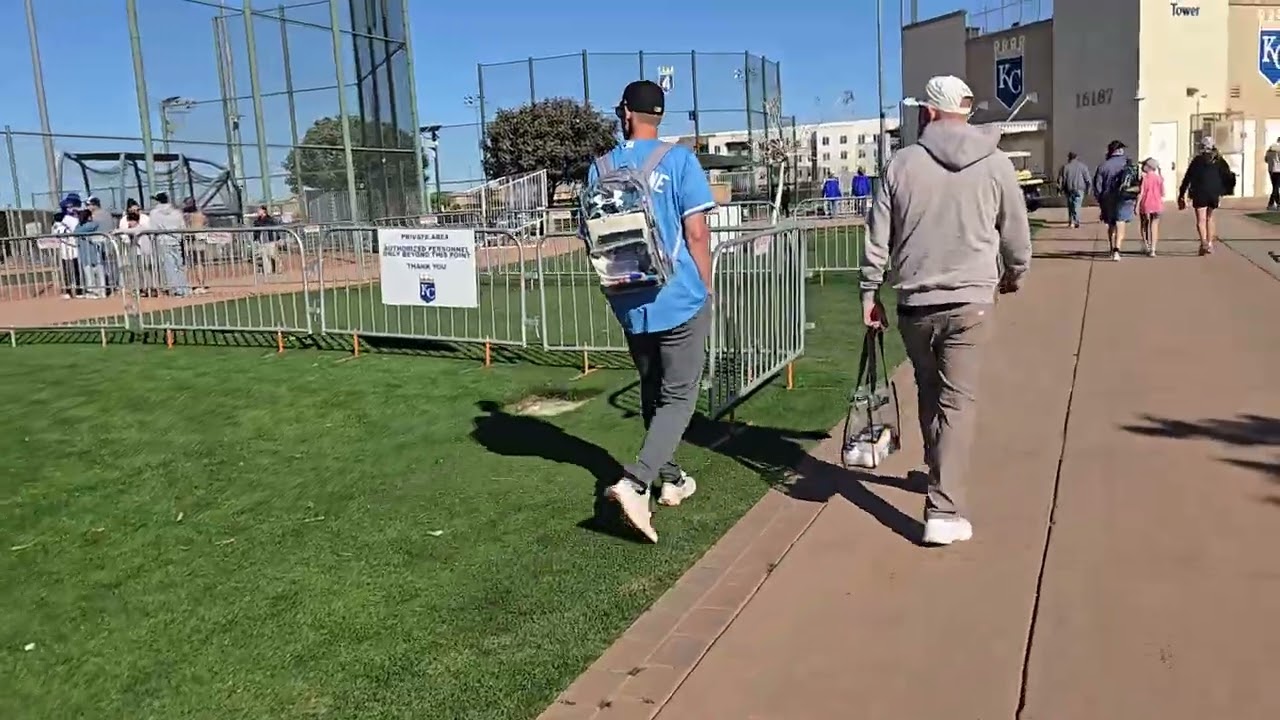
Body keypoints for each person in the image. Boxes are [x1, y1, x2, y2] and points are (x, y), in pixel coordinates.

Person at [861, 75, 1031, 546]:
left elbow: (878, 237)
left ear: (930, 112)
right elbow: (1015, 232)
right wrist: (1015, 273)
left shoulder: (900, 164)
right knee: (957, 402)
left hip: (916, 300)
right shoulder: (995, 164)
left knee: (930, 392)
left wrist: (868, 293)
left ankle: (941, 480)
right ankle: (944, 505)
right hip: (971, 299)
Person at [586, 80, 715, 543]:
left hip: (627, 295)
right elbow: (696, 233)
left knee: (653, 389)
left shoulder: (599, 169)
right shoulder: (679, 160)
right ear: (659, 116)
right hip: (677, 294)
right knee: (679, 397)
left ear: (625, 113)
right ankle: (637, 481)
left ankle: (673, 480)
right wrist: (705, 284)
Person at [1178, 136, 1235, 256]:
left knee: (1201, 219)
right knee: (1210, 218)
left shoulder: (1197, 160)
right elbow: (1228, 176)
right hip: (1214, 193)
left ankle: (1203, 242)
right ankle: (1209, 243)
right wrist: (1224, 191)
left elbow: (1187, 177)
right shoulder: (1220, 160)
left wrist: (1182, 193)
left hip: (1200, 192)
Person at [1092, 140, 1137, 261]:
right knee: (1120, 222)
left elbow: (1097, 186)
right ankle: (1117, 249)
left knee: (1111, 224)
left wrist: (1100, 199)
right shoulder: (1128, 164)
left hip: (1107, 198)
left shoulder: (1103, 166)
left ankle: (1112, 247)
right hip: (1124, 197)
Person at [148, 191, 191, 296]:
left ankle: (177, 289)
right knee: (179, 265)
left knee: (169, 266)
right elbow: (183, 227)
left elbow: (153, 229)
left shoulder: (154, 213)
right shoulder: (177, 212)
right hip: (176, 240)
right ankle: (184, 288)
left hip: (163, 240)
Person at [117, 198, 156, 296]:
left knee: (147, 268)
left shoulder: (144, 219)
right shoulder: (125, 220)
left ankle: (151, 287)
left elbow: (143, 229)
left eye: (137, 210)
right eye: (133, 211)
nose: (135, 212)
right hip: (133, 247)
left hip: (145, 247)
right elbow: (125, 232)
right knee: (137, 269)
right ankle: (141, 287)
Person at [52, 194, 83, 299]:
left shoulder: (76, 218)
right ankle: (68, 290)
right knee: (66, 270)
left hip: (75, 247)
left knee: (77, 270)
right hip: (65, 247)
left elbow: (77, 229)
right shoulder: (60, 220)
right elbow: (56, 232)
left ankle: (79, 290)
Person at [85, 197, 118, 295]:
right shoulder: (107, 213)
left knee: (102, 266)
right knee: (108, 265)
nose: (88, 207)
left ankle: (105, 287)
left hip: (100, 243)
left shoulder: (95, 216)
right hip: (106, 242)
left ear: (95, 205)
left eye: (89, 205)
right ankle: (111, 285)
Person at [73, 208, 108, 299]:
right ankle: (92, 292)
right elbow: (76, 232)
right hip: (86, 256)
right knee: (90, 276)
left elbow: (81, 230)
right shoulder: (79, 227)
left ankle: (101, 292)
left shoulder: (93, 224)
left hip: (96, 254)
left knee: (99, 275)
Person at [1136, 158, 1165, 257]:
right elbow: (1163, 193)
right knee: (1154, 225)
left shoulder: (1144, 178)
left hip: (1146, 203)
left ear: (1148, 167)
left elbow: (1141, 193)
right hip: (1157, 204)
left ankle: (1146, 245)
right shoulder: (1159, 178)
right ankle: (1153, 249)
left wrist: (1136, 205)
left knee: (1144, 224)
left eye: (1144, 165)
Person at [182, 197, 210, 291]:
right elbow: (206, 224)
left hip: (192, 240)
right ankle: (200, 284)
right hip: (198, 239)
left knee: (191, 263)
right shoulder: (200, 215)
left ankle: (194, 284)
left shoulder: (187, 216)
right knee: (198, 263)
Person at [1057, 151, 1090, 228]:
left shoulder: (1065, 167)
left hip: (1069, 189)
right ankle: (1076, 220)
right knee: (1077, 205)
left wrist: (1059, 189)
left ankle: (1071, 221)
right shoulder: (1083, 167)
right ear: (1077, 157)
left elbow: (1061, 179)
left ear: (1069, 158)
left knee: (1070, 205)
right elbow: (1087, 179)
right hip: (1080, 188)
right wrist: (1088, 189)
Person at [252, 204, 280, 275]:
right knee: (265, 256)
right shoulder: (257, 221)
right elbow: (256, 231)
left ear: (264, 211)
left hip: (270, 240)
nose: (258, 211)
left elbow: (275, 228)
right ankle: (268, 271)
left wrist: (277, 239)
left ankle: (278, 269)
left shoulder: (270, 219)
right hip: (262, 241)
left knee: (273, 255)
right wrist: (255, 238)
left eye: (259, 210)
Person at [1265, 137, 1280, 211]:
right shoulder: (1278, 149)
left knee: (1275, 187)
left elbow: (1266, 160)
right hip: (1278, 170)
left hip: (1271, 170)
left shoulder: (1270, 150)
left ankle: (1278, 203)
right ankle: (1271, 203)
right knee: (1276, 187)